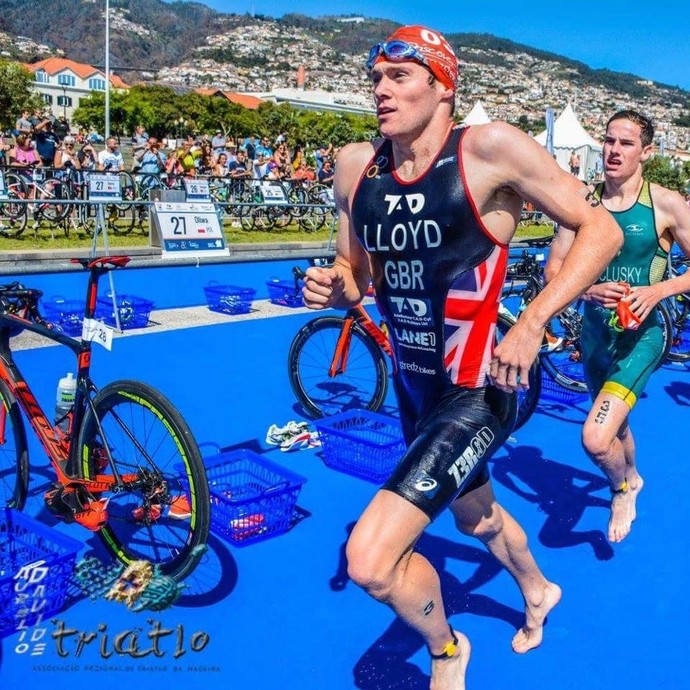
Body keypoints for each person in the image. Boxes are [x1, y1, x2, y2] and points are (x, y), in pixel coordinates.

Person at [301, 24, 623, 689]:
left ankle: (448, 651)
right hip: (416, 388)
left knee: (369, 560)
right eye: (376, 78)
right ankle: (537, 589)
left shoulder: (488, 150)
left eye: (399, 77)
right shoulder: (356, 168)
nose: (381, 91)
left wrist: (534, 320)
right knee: (474, 516)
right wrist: (335, 286)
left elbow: (602, 228)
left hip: (483, 383)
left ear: (442, 86)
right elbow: (358, 275)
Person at [545, 110, 690, 543]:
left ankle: (622, 489)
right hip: (595, 337)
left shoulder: (664, 204)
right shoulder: (581, 205)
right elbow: (554, 271)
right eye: (608, 141)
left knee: (595, 436)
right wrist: (588, 291)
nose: (612, 150)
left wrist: (658, 291)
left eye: (625, 143)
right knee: (617, 426)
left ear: (646, 152)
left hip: (642, 336)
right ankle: (634, 475)